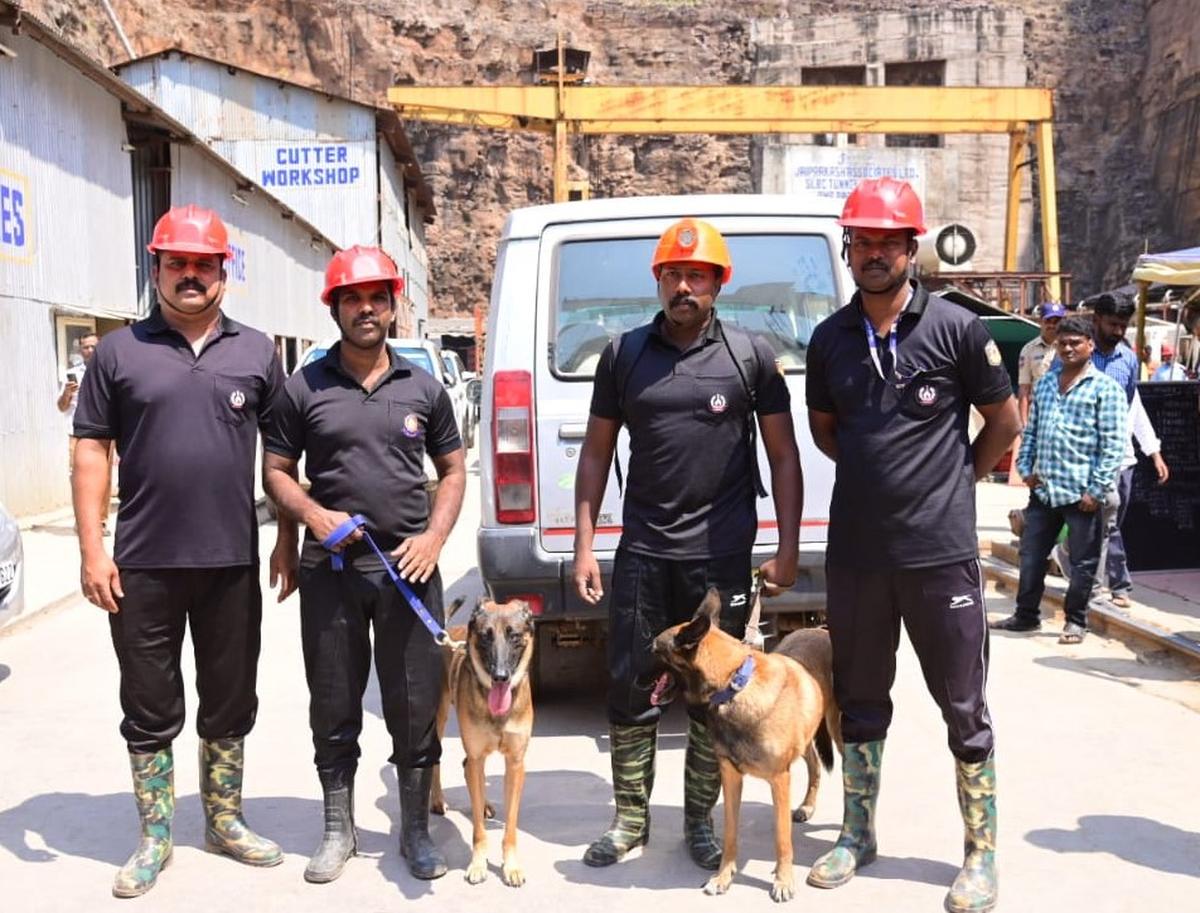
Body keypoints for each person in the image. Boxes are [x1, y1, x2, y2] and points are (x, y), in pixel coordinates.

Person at [804, 177, 1021, 913]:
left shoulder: (956, 329)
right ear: (849, 247)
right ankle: (857, 832)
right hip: (858, 556)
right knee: (861, 701)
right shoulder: (831, 338)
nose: (872, 253)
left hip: (940, 556)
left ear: (910, 247)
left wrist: (954, 479)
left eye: (885, 242)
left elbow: (1003, 421)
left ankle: (980, 854)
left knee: (964, 705)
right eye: (861, 241)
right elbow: (827, 431)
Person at [71, 205, 291, 898]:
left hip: (230, 562)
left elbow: (281, 453)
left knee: (229, 698)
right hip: (141, 564)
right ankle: (156, 833)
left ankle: (223, 819)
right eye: (177, 262)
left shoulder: (258, 351)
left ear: (224, 272)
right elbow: (89, 450)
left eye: (203, 264)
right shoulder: (118, 352)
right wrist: (91, 549)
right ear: (157, 266)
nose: (190, 275)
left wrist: (286, 535)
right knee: (148, 701)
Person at [572, 218, 802, 870]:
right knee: (630, 685)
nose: (683, 286)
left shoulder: (750, 356)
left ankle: (700, 821)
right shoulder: (624, 356)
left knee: (718, 697)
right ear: (659, 281)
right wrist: (587, 544)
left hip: (721, 558)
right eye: (673, 274)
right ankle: (630, 821)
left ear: (717, 284)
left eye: (696, 275)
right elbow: (596, 453)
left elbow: (784, 457)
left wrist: (786, 548)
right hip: (644, 551)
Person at [263, 246, 466, 884]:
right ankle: (337, 828)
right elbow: (275, 471)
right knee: (333, 702)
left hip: (408, 572)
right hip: (332, 571)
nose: (366, 308)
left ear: (392, 305)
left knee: (413, 704)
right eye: (353, 298)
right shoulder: (305, 387)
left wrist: (434, 536)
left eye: (377, 297)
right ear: (335, 308)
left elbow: (454, 470)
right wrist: (311, 520)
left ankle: (414, 830)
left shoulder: (423, 389)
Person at [991, 315, 1127, 642]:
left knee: (1082, 564)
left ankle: (1075, 622)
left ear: (1090, 346)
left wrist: (1096, 490)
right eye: (1063, 342)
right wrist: (1026, 468)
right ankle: (1026, 617)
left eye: (1075, 342)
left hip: (1083, 494)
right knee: (1031, 557)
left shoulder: (1105, 389)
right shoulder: (1048, 384)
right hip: (1045, 490)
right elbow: (1032, 431)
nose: (1067, 348)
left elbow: (1113, 445)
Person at [1088, 294, 1168, 607]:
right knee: (1102, 525)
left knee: (1112, 523)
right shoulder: (1078, 356)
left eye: (1124, 325)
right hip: (1088, 458)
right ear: (1096, 320)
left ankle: (1073, 559)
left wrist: (1153, 450)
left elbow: (1133, 407)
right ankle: (1105, 587)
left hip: (1124, 459)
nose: (1119, 331)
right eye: (1113, 324)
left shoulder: (1128, 360)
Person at [58, 334, 113, 533]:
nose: (89, 351)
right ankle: (82, 521)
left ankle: (101, 521)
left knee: (104, 478)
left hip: (103, 432)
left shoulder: (108, 371)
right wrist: (67, 393)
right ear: (80, 350)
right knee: (78, 478)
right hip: (76, 432)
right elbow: (61, 407)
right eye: (85, 347)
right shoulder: (71, 374)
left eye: (92, 347)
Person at [1017, 301, 1065, 424]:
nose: (1052, 325)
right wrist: (1023, 425)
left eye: (1056, 321)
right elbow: (1024, 389)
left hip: (1065, 410)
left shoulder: (1069, 347)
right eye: (1048, 321)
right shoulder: (1029, 350)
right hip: (1039, 412)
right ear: (1040, 322)